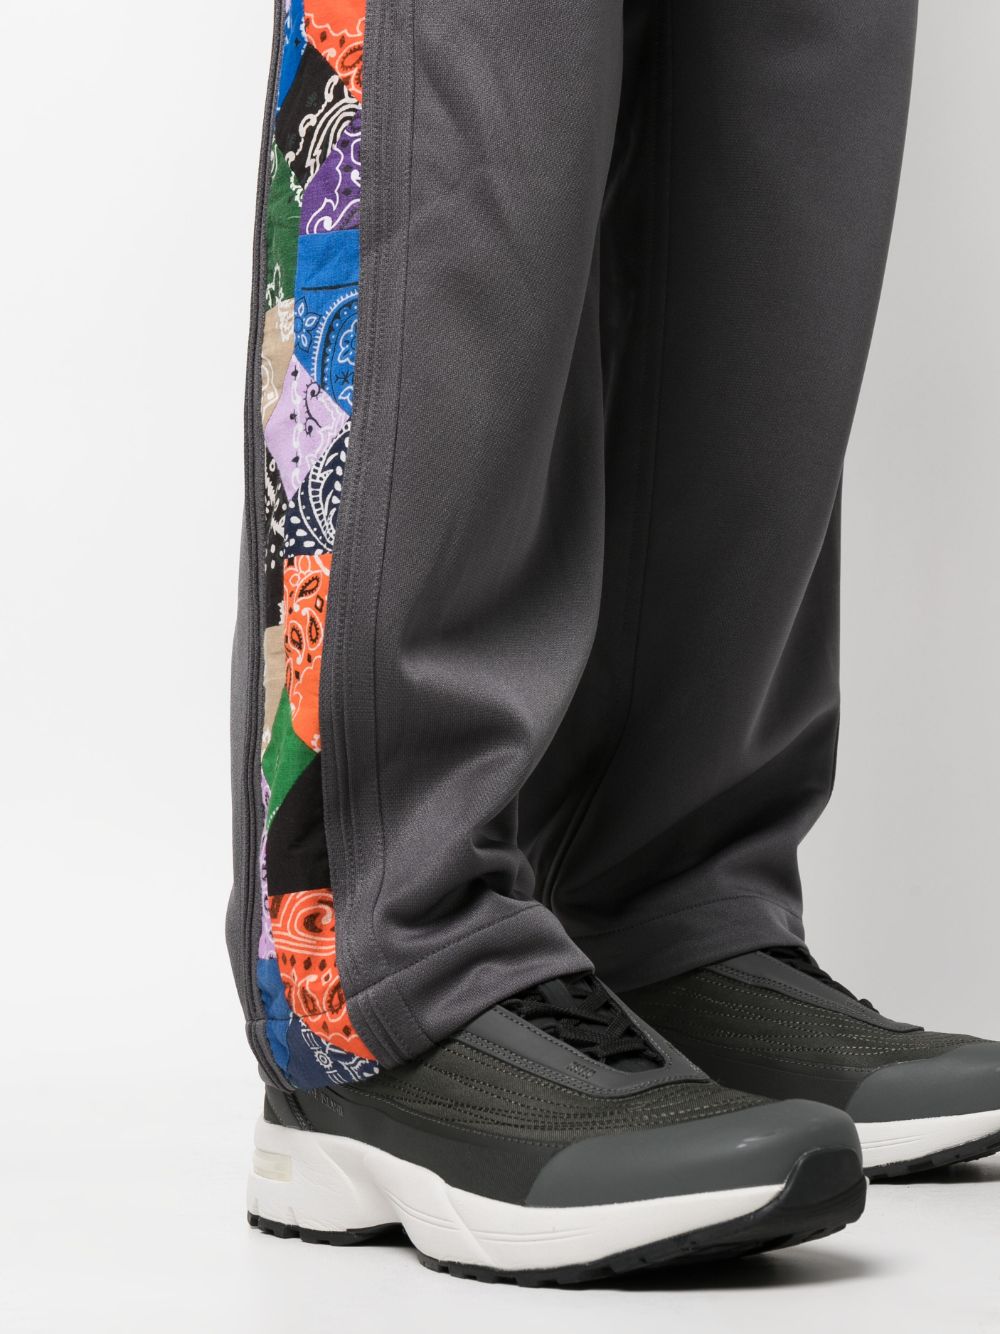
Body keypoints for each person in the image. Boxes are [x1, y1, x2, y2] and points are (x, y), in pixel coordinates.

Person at [228, 0, 1000, 1283]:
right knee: (476, 57)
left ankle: (661, 916)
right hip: (370, 960)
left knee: (792, 78)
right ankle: (381, 960)